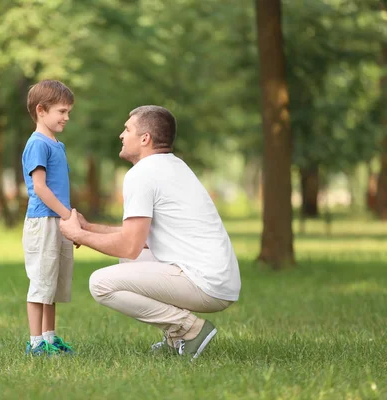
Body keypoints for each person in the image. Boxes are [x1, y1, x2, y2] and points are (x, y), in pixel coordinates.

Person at [60, 105, 241, 360]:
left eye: (127, 129)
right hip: (218, 280)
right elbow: (138, 238)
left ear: (145, 139)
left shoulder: (142, 174)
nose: (121, 135)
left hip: (206, 283)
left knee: (100, 283)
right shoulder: (172, 166)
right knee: (129, 262)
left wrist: (78, 236)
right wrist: (88, 227)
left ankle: (188, 329)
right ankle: (175, 340)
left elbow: (129, 245)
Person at [21, 79, 76, 356]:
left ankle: (50, 338)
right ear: (41, 110)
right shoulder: (37, 144)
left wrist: (69, 219)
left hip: (58, 220)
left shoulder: (57, 144)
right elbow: (40, 187)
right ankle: (35, 343)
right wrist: (68, 215)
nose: (66, 117)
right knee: (41, 283)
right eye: (62, 112)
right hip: (44, 222)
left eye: (68, 112)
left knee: (52, 284)